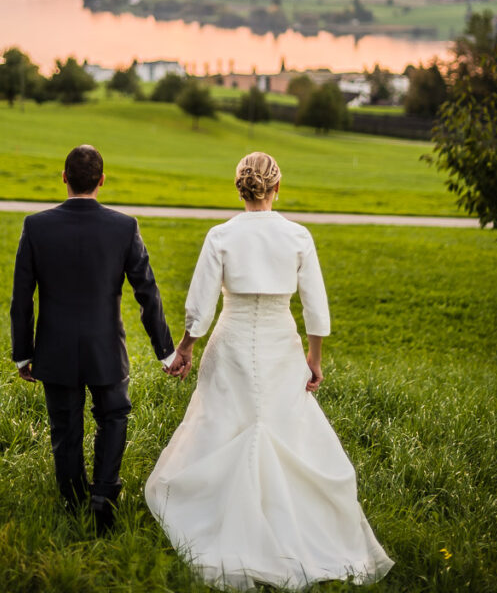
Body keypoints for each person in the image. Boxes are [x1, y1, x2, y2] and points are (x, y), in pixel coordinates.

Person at [145, 151, 394, 588]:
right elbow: (315, 306)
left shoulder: (221, 236)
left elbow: (201, 304)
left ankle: (222, 516)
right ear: (277, 187)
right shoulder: (297, 236)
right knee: (284, 427)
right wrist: (314, 358)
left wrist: (186, 347)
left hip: (232, 343)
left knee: (222, 423)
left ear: (239, 188)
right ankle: (297, 525)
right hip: (281, 346)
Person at [10, 143, 175, 529]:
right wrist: (165, 351)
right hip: (106, 349)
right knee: (113, 416)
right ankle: (104, 496)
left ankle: (72, 501)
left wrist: (23, 353)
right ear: (102, 180)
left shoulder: (36, 226)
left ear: (64, 178)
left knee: (65, 426)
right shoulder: (124, 227)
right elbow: (147, 292)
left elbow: (22, 297)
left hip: (55, 349)